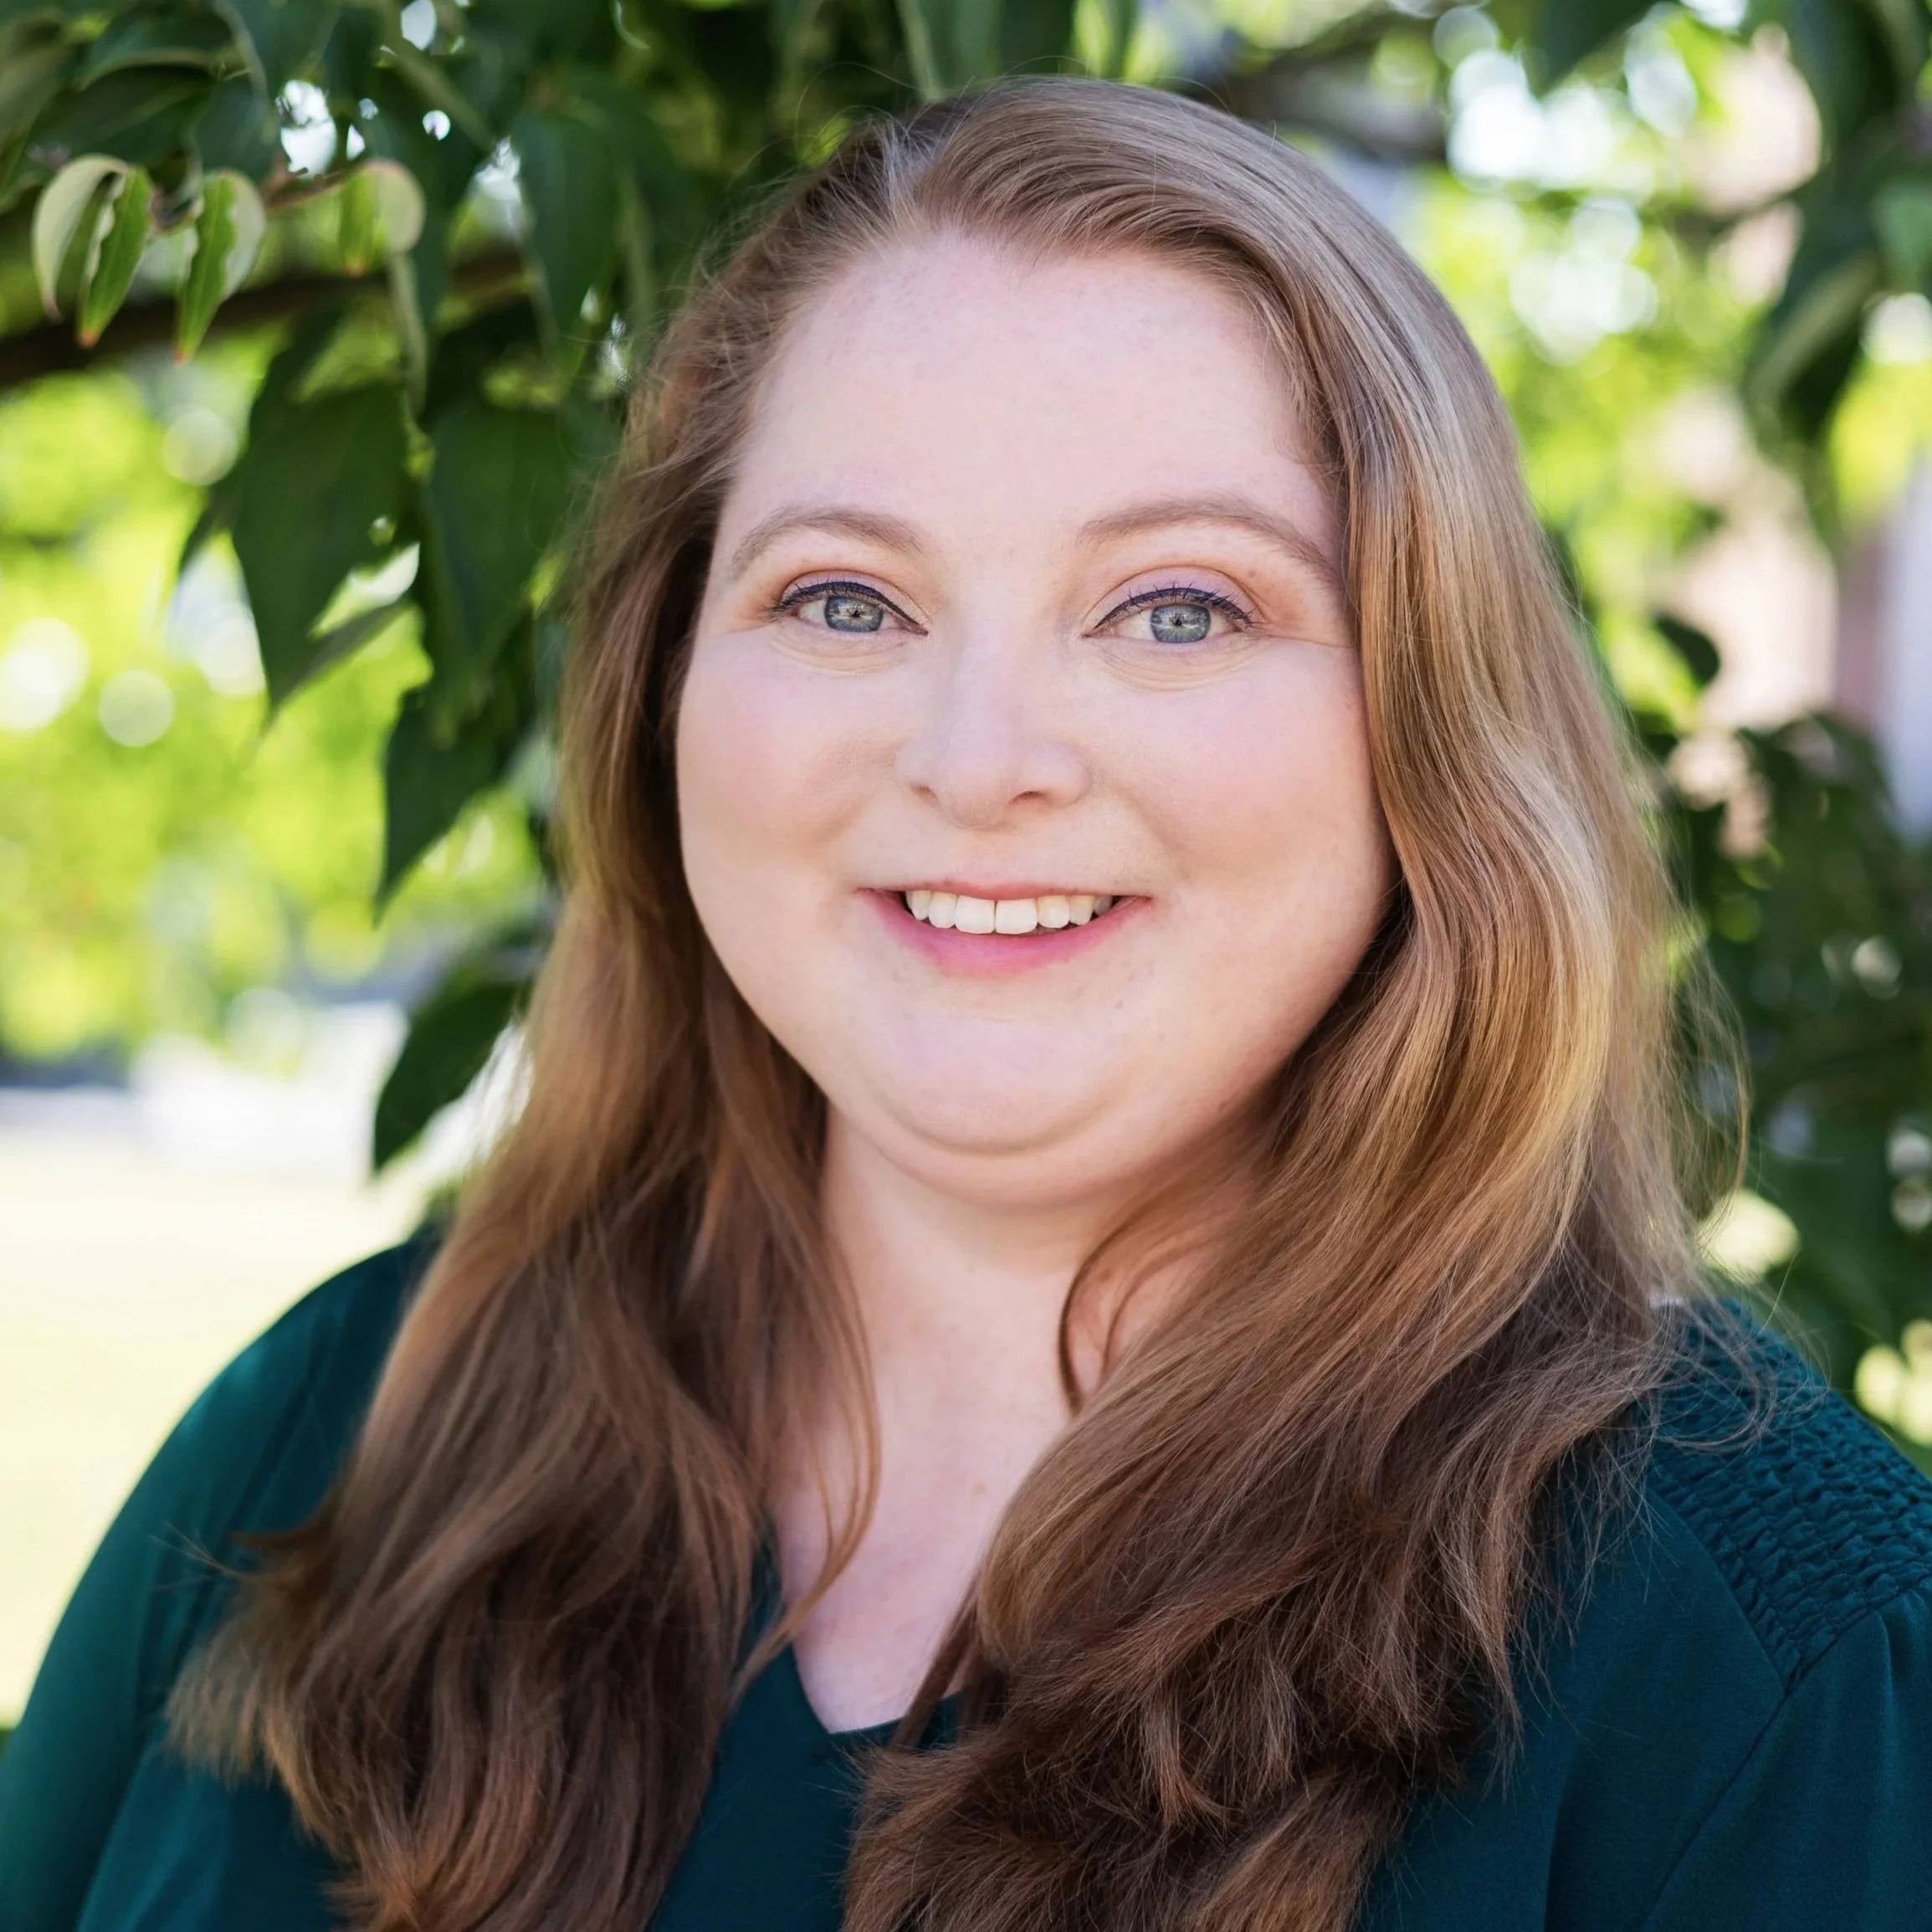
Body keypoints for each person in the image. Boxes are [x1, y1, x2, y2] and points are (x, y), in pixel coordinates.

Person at [3, 77, 1929, 1932]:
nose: (980, 755)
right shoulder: (336, 1434)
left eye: (1177, 607)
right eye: (846, 599)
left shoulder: (1785, 1658)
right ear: (665, 685)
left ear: (1426, 723)